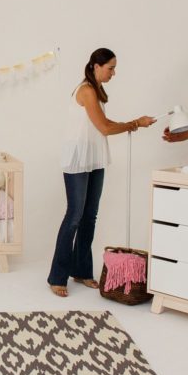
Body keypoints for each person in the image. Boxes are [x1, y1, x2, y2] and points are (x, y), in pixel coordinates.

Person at [48, 48, 156, 298]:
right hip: (78, 158)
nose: (113, 73)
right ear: (96, 66)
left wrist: (132, 124)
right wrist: (135, 123)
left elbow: (102, 127)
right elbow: (105, 128)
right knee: (74, 216)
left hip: (94, 157)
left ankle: (82, 271)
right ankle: (57, 276)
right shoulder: (86, 90)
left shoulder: (97, 90)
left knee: (90, 216)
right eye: (110, 68)